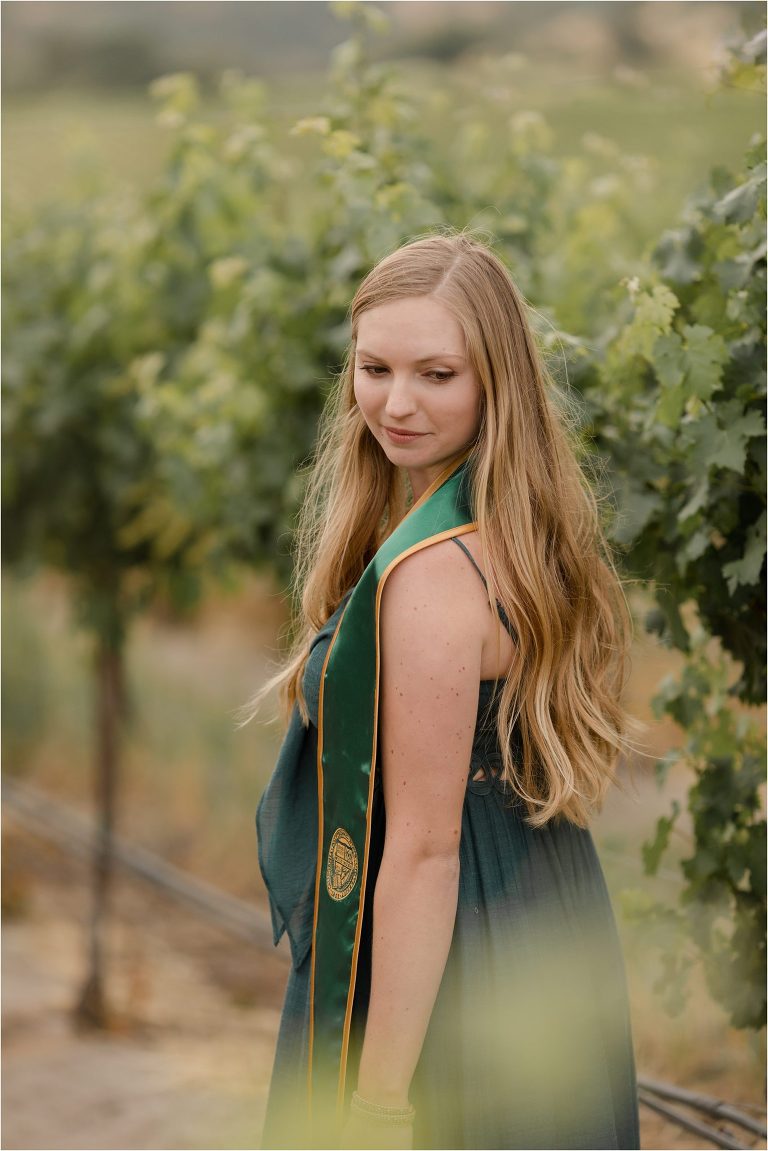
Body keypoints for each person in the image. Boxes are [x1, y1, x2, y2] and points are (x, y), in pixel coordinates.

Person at [252, 232, 641, 1150]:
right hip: (540, 912)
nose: (396, 403)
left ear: (493, 382)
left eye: (436, 373)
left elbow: (424, 851)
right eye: (374, 367)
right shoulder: (514, 532)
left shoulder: (431, 581)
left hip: (450, 945)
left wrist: (380, 1102)